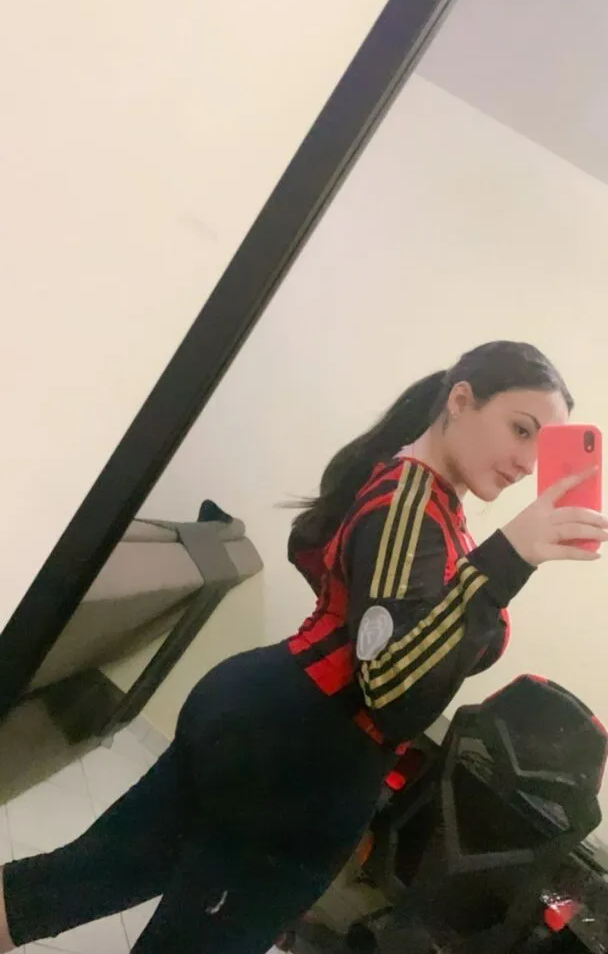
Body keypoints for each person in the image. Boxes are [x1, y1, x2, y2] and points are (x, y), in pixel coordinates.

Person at [1, 340, 606, 954]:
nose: (527, 461)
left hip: (272, 724)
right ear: (460, 400)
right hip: (299, 760)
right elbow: (392, 692)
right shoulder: (411, 504)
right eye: (520, 429)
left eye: (541, 445)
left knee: (85, 876)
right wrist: (509, 557)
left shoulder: (420, 497)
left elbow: (352, 592)